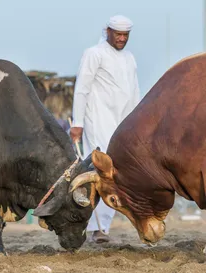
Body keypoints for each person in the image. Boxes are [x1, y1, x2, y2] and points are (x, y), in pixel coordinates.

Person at [70, 15, 141, 243]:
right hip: (97, 119)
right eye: (118, 34)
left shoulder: (129, 58)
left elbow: (134, 92)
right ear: (107, 32)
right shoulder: (94, 53)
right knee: (103, 171)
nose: (121, 39)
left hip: (123, 122)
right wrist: (78, 123)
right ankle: (96, 229)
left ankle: (102, 228)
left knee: (117, 172)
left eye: (125, 35)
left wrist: (136, 123)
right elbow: (82, 88)